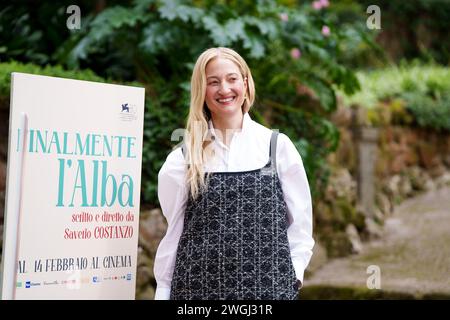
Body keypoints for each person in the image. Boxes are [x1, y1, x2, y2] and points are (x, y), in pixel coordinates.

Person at [153, 47, 314, 300]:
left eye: (232, 79)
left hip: (268, 293)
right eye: (213, 82)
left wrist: (292, 277)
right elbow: (174, 233)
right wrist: (163, 290)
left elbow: (301, 227)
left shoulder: (276, 147)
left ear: (246, 82)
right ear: (201, 91)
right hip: (197, 295)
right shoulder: (182, 160)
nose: (224, 89)